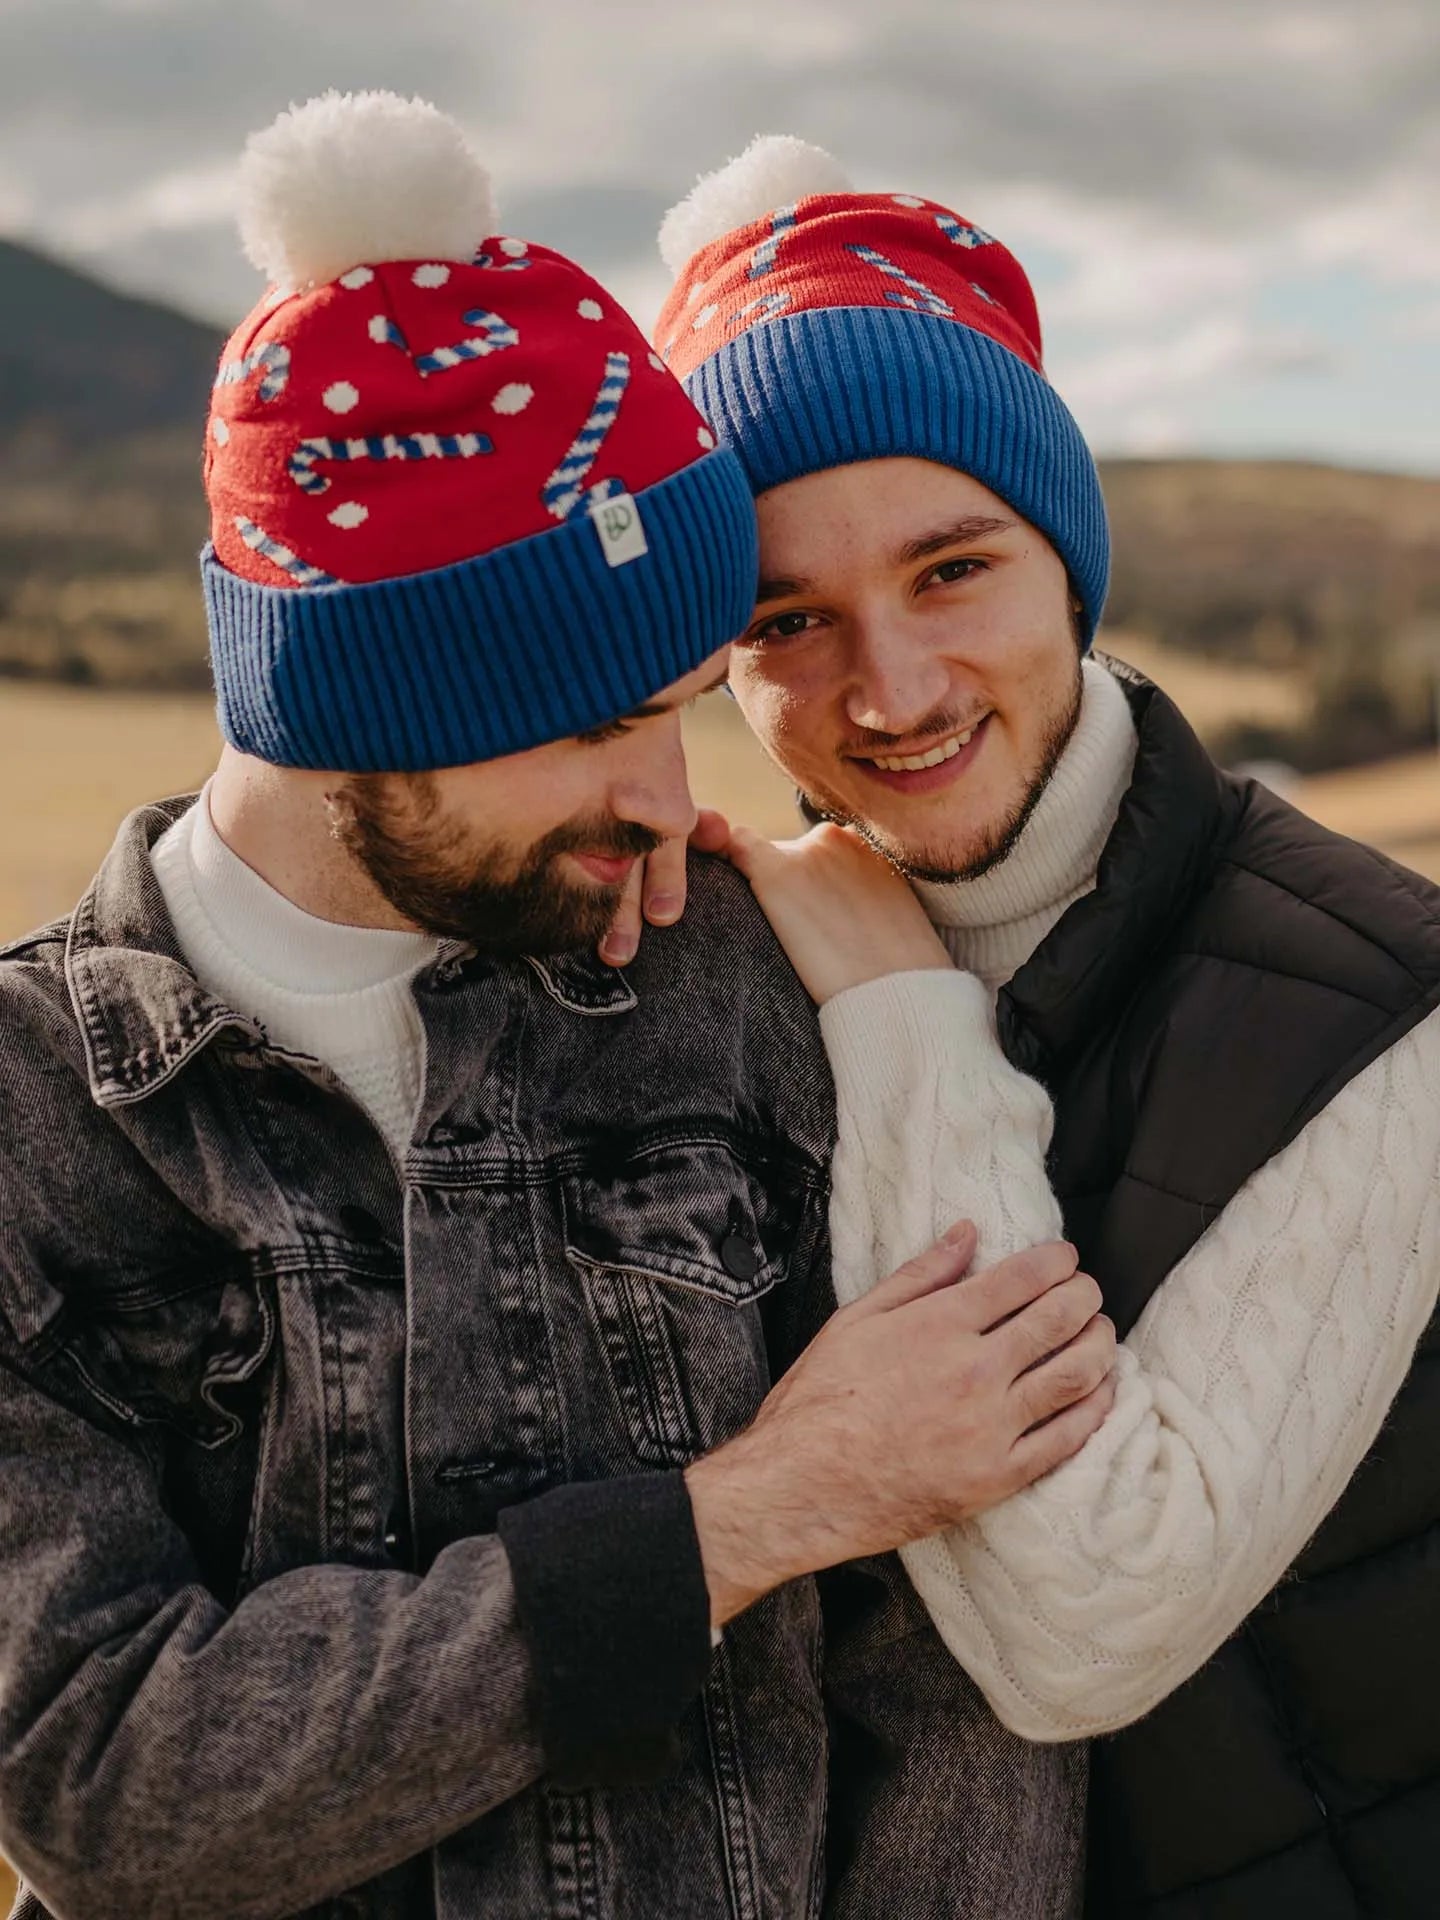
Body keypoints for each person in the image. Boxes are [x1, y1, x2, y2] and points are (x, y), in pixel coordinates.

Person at [0, 96, 1117, 1920]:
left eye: (679, 709)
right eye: (599, 724)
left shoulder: (738, 998)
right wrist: (743, 1519)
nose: (677, 803)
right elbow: (107, 1789)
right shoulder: (33, 1119)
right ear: (357, 708)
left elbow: (948, 1691)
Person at [641, 136, 1440, 1919]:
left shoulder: (1384, 1006)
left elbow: (1086, 1633)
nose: (893, 690)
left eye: (951, 571)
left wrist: (911, 1018)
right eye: (790, 618)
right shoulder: (714, 975)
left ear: (1068, 565)